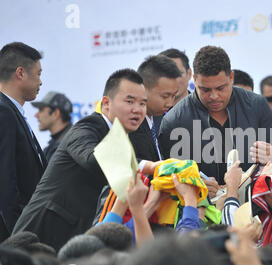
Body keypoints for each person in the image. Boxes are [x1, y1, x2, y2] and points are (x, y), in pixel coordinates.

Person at [12, 69, 158, 250]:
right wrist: (148, 166)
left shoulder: (123, 138)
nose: (137, 109)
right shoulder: (88, 126)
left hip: (77, 236)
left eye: (143, 103)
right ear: (106, 103)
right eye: (129, 101)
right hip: (41, 233)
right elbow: (92, 159)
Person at [159, 45, 272, 186]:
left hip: (255, 203)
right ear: (194, 80)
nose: (214, 96)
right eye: (205, 89)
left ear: (231, 77)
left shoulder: (257, 106)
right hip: (204, 206)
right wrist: (196, 186)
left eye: (220, 88)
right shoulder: (173, 121)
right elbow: (169, 179)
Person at [0, 42, 47, 242]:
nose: (41, 82)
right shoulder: (4, 112)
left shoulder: (11, 111)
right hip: (15, 236)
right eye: (38, 74)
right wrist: (19, 237)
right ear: (20, 73)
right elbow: (5, 180)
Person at [129, 55, 180, 163]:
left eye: (174, 96)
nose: (170, 103)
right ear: (143, 88)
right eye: (165, 96)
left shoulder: (159, 120)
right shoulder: (129, 127)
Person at [32, 91, 73, 162]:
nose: (36, 115)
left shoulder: (73, 143)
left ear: (56, 113)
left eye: (41, 110)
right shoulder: (53, 145)